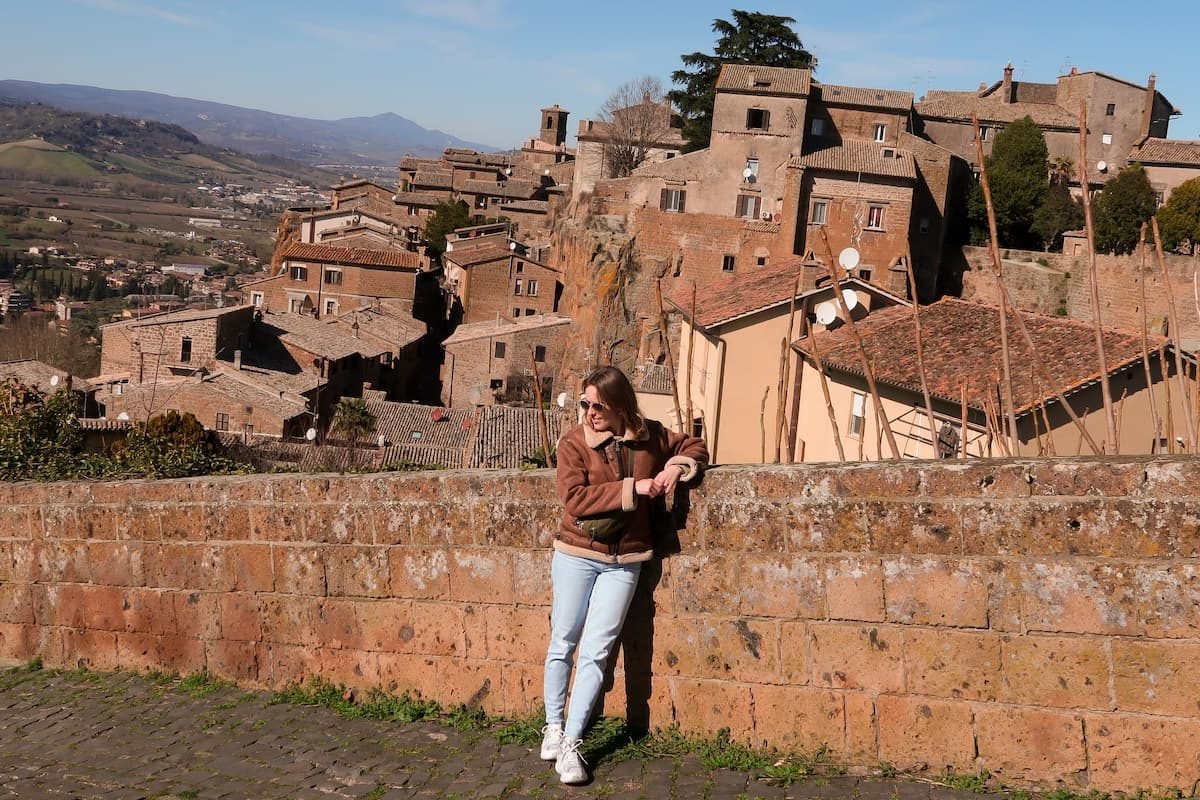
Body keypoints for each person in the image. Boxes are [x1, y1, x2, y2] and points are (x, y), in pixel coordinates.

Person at [541, 365, 708, 785]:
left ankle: (572, 743)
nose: (590, 412)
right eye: (586, 404)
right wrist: (633, 488)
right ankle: (553, 726)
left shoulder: (650, 435)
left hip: (627, 560)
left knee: (597, 651)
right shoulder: (574, 442)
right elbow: (574, 498)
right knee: (563, 640)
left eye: (599, 405)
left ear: (620, 406)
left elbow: (694, 445)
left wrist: (675, 468)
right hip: (577, 553)